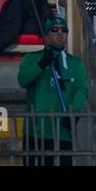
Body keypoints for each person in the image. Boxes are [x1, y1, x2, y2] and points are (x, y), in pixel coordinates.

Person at [17, 16, 87, 166]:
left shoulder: (76, 63)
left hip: (63, 130)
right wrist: (42, 64)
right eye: (54, 30)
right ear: (46, 36)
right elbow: (23, 80)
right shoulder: (31, 58)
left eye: (64, 30)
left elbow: (81, 90)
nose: (60, 33)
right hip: (36, 131)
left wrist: (73, 112)